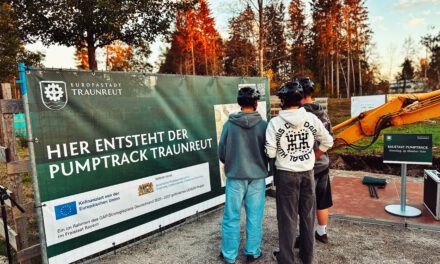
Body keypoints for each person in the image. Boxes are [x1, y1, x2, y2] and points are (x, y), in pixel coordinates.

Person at [266, 81, 333, 264]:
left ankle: (286, 259)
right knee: (307, 215)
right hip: (308, 173)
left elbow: (271, 152)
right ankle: (307, 256)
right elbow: (328, 141)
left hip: (286, 174)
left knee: (287, 218)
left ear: (282, 100)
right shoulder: (311, 119)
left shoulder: (275, 123)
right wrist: (313, 154)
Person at [218, 86, 268, 264]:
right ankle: (252, 252)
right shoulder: (264, 125)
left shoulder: (229, 124)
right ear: (256, 103)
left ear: (240, 103)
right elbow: (269, 152)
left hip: (235, 177)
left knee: (231, 216)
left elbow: (221, 152)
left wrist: (232, 163)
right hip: (257, 178)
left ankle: (229, 255)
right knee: (254, 216)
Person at [299, 77, 334, 244]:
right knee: (322, 199)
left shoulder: (300, 114)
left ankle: (304, 236)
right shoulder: (323, 112)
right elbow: (330, 138)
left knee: (304, 202)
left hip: (306, 166)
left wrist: (313, 156)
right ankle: (322, 232)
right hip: (324, 164)